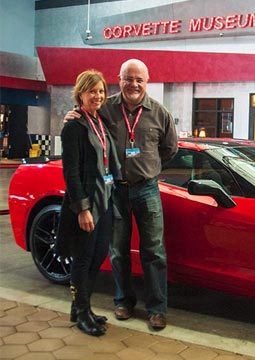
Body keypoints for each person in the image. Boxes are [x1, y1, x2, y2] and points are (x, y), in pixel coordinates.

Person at [66, 59, 178, 330]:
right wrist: (72, 114)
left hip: (147, 188)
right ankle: (123, 301)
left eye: (139, 79)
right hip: (113, 190)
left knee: (154, 251)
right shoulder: (105, 107)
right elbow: (86, 121)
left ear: (147, 81)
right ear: (119, 79)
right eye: (129, 78)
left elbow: (170, 148)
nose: (134, 84)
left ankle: (156, 308)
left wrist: (148, 167)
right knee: (117, 251)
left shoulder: (159, 112)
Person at [57, 69, 121, 337]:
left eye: (101, 91)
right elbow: (70, 171)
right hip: (85, 205)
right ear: (80, 93)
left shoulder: (99, 122)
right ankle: (82, 313)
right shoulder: (74, 126)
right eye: (92, 91)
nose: (97, 95)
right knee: (82, 260)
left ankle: (81, 306)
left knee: (97, 257)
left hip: (104, 199)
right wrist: (82, 208)